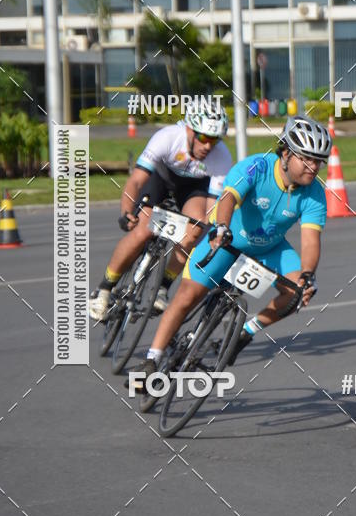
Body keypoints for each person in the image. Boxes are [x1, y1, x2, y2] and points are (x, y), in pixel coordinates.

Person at [131, 114, 332, 384]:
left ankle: (244, 333)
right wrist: (222, 228)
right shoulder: (256, 167)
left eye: (319, 160)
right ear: (285, 153)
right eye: (307, 159)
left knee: (300, 290)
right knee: (188, 295)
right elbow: (227, 198)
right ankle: (151, 359)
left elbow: (310, 240)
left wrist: (307, 273)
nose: (314, 166)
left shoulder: (315, 193)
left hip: (270, 248)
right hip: (227, 239)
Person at [89, 98, 232, 322]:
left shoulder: (221, 156)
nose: (208, 146)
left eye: (214, 140)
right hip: (161, 178)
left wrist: (213, 232)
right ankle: (104, 288)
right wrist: (126, 211)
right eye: (203, 137)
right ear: (189, 129)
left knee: (196, 228)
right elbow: (136, 181)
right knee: (144, 230)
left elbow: (212, 207)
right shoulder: (167, 137)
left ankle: (164, 287)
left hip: (193, 187)